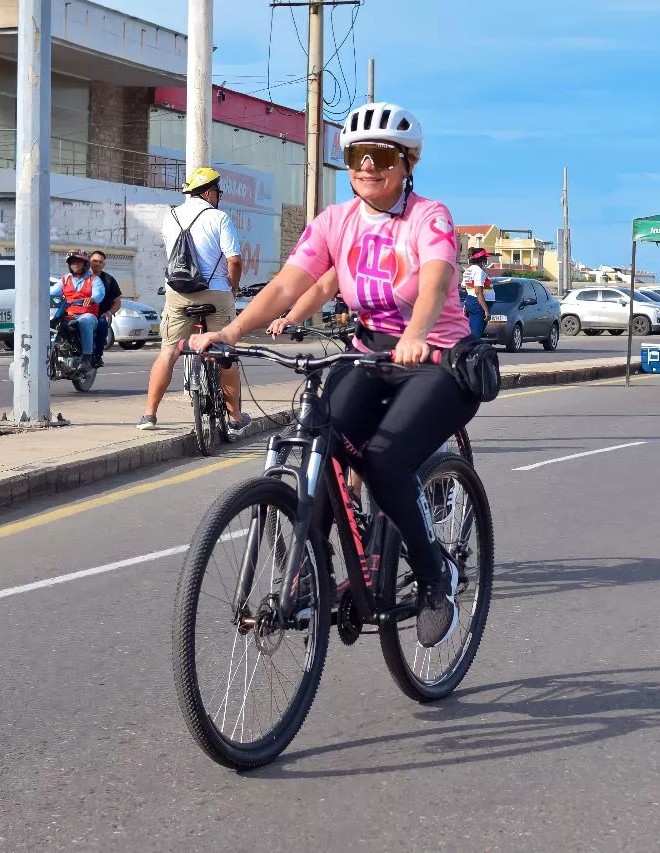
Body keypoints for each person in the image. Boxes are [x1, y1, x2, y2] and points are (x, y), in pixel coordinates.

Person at [188, 101, 474, 648]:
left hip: (437, 357)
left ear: (407, 162)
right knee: (320, 440)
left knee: (386, 461)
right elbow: (286, 286)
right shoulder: (335, 221)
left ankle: (437, 576)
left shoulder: (428, 216)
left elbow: (436, 280)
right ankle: (309, 570)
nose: (368, 166)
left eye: (382, 156)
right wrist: (230, 334)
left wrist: (416, 334)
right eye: (357, 156)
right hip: (369, 355)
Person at [140, 166, 248, 432]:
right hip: (216, 292)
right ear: (210, 192)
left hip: (178, 293)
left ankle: (149, 415)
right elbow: (234, 259)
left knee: (168, 351)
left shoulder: (171, 217)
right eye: (217, 192)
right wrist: (232, 288)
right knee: (225, 354)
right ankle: (234, 418)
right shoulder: (219, 217)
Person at [50, 249, 104, 371]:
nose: (75, 264)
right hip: (68, 314)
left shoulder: (94, 280)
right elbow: (51, 293)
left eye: (79, 262)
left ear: (85, 265)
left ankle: (87, 357)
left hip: (87, 314)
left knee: (85, 321)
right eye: (73, 262)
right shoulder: (65, 280)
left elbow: (99, 295)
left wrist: (92, 299)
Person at [89, 250, 122, 367]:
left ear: (104, 264)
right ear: (89, 260)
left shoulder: (109, 280)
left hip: (101, 315)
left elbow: (117, 302)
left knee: (102, 325)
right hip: (81, 313)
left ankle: (98, 355)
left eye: (100, 262)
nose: (97, 264)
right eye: (94, 261)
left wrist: (109, 312)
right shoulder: (81, 277)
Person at [460, 248, 494, 338]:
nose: (486, 260)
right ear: (482, 259)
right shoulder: (479, 272)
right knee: (476, 334)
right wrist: (486, 310)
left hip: (471, 301)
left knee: (471, 331)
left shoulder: (468, 270)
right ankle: (473, 351)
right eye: (485, 258)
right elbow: (478, 291)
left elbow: (463, 288)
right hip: (478, 304)